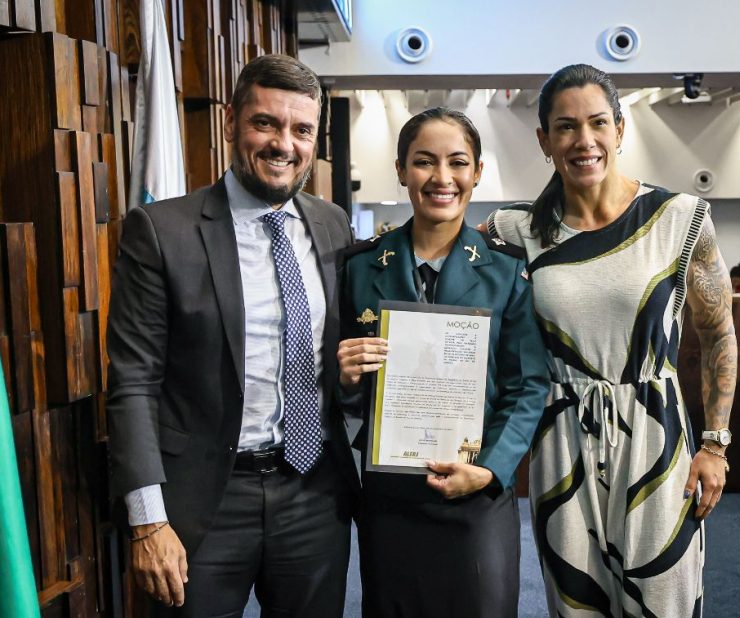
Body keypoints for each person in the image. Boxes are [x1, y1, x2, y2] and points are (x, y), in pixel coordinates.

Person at [106, 55, 358, 616]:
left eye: (301, 130)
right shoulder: (162, 231)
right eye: (265, 123)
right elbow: (132, 383)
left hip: (313, 492)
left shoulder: (333, 224)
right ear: (230, 122)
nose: (283, 144)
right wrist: (148, 520)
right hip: (201, 503)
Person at [485, 64, 737, 616]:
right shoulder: (514, 231)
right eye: (566, 126)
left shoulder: (679, 218)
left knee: (664, 598)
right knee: (577, 602)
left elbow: (717, 333)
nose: (584, 140)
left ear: (619, 129)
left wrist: (715, 444)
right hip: (561, 442)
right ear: (544, 140)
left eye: (598, 122)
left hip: (656, 437)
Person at [337, 107, 549, 618]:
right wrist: (344, 378)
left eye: (457, 162)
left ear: (477, 171)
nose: (441, 178)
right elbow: (342, 393)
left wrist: (492, 471)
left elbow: (528, 387)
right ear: (401, 170)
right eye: (424, 162)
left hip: (475, 493)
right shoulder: (360, 268)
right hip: (391, 497)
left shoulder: (507, 272)